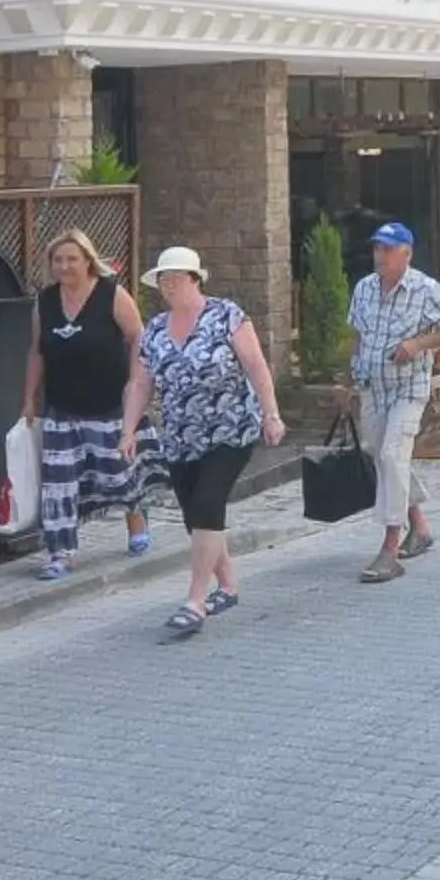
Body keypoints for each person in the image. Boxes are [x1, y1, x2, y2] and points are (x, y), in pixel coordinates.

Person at [123, 246, 286, 638]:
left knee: (209, 503)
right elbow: (142, 383)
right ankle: (227, 586)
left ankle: (195, 601)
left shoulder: (226, 316)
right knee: (194, 515)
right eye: (163, 280)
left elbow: (256, 365)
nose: (168, 286)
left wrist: (272, 414)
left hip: (230, 428)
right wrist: (128, 429)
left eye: (175, 279)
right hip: (180, 436)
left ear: (195, 279)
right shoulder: (156, 329)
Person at [19, 230, 166, 581]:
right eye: (58, 260)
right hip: (62, 406)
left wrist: (136, 383)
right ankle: (60, 552)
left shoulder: (111, 295)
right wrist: (28, 397)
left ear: (88, 260)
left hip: (111, 402)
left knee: (119, 474)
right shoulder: (46, 301)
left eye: (72, 259)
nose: (65, 266)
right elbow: (36, 351)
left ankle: (136, 520)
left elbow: (138, 338)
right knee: (59, 484)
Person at [341, 220, 440, 585]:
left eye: (387, 249)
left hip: (408, 390)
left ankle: (389, 546)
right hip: (373, 388)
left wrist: (419, 345)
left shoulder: (425, 289)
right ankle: (420, 527)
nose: (379, 256)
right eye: (376, 248)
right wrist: (348, 381)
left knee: (391, 456)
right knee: (382, 455)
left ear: (406, 254)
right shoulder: (365, 289)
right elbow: (357, 336)